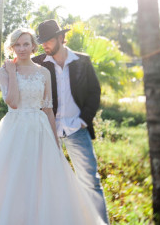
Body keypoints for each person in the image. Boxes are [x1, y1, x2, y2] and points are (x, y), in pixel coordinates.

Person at [0, 28, 104, 225]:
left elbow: (48, 109)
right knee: (13, 180)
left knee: (42, 181)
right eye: (17, 45)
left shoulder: (44, 71)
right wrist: (11, 71)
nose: (22, 48)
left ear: (33, 46)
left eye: (26, 44)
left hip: (40, 129)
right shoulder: (4, 71)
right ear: (11, 47)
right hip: (15, 129)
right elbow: (13, 102)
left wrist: (55, 142)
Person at [32, 19, 110, 224]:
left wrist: (84, 120)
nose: (44, 45)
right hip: (48, 132)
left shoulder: (82, 61)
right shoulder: (38, 63)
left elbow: (95, 91)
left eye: (47, 40)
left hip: (77, 129)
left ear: (60, 38)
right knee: (46, 184)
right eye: (42, 41)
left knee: (90, 182)